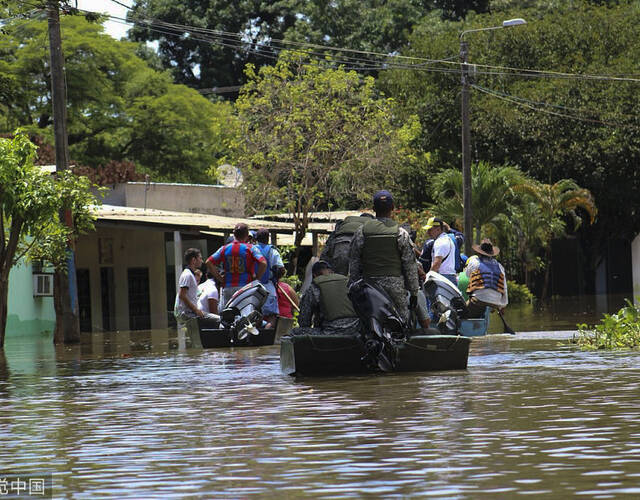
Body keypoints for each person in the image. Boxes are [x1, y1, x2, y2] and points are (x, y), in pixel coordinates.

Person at [348, 190, 420, 325]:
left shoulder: (361, 232)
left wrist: (353, 286)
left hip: (369, 286)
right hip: (395, 288)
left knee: (364, 323)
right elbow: (410, 266)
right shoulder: (401, 233)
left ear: (374, 209)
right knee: (402, 324)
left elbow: (354, 263)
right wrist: (414, 292)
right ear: (392, 208)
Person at [206, 223, 267, 309]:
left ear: (234, 234)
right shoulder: (251, 248)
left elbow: (209, 262)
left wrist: (220, 278)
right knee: (245, 316)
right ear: (246, 235)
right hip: (245, 288)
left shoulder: (224, 248)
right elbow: (263, 263)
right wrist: (256, 278)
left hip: (228, 287)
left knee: (227, 316)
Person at [296, 260, 361, 335]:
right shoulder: (348, 282)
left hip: (330, 332)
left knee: (295, 332)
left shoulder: (314, 287)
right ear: (332, 272)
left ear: (314, 275)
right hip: (355, 330)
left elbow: (304, 321)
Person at [464, 239, 508, 317]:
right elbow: (504, 288)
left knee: (463, 312)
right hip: (496, 302)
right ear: (492, 253)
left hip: (478, 300)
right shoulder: (500, 266)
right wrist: (502, 306)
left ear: (479, 252)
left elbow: (467, 275)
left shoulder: (474, 262)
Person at [254, 228, 285, 328]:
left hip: (253, 288)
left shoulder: (251, 249)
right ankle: (267, 336)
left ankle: (256, 338)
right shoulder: (272, 251)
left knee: (256, 316)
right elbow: (281, 269)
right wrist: (276, 278)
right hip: (269, 287)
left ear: (256, 238)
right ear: (268, 239)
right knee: (272, 316)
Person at [423, 217, 458, 285]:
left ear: (438, 229)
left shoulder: (440, 242)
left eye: (430, 230)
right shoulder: (448, 239)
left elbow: (437, 263)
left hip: (442, 277)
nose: (428, 232)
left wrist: (428, 277)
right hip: (450, 277)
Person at [174, 248, 205, 323]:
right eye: (200, 258)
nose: (202, 261)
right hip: (188, 313)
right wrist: (196, 310)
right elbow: (182, 295)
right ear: (194, 260)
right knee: (216, 320)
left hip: (190, 312)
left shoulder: (191, 274)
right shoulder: (187, 275)